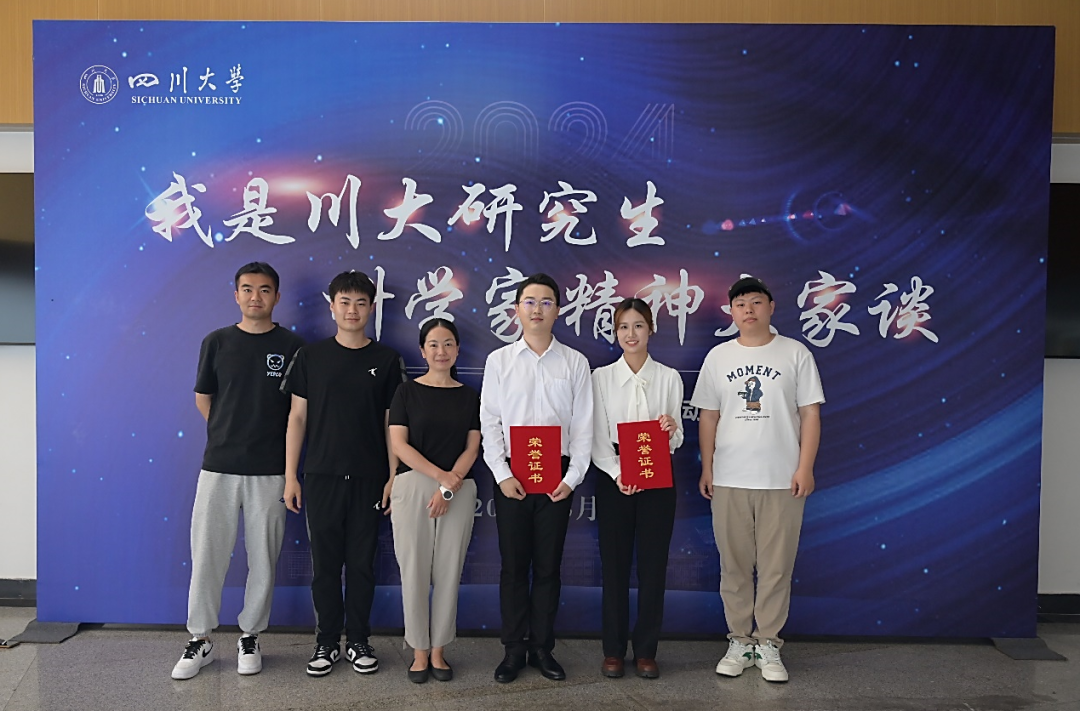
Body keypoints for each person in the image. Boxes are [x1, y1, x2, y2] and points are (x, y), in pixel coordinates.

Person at [172, 262, 304, 681]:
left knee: (263, 558)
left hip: (271, 471)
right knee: (207, 554)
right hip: (219, 467)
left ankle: (250, 635)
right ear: (236, 295)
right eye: (247, 289)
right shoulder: (217, 342)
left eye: (264, 290)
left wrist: (287, 471)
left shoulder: (293, 346)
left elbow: (297, 414)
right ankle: (200, 638)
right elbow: (204, 398)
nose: (255, 297)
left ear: (276, 297)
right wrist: (228, 434)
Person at [690, 276, 824, 683]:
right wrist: (708, 467)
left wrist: (805, 467)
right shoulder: (719, 357)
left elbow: (810, 414)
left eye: (756, 302)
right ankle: (739, 640)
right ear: (731, 312)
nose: (748, 309)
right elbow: (708, 417)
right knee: (733, 566)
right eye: (740, 304)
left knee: (776, 567)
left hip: (782, 480)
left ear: (771, 307)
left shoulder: (795, 353)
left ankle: (768, 643)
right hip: (730, 478)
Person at [281, 271, 405, 677]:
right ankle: (327, 642)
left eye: (361, 303)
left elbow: (391, 424)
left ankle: (359, 640)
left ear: (372, 308)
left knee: (363, 565)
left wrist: (393, 476)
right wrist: (291, 476)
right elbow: (297, 418)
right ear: (331, 305)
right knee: (326, 566)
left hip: (369, 477)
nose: (353, 310)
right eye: (345, 302)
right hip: (321, 475)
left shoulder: (385, 360)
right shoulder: (311, 357)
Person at [480, 273, 593, 683]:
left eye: (546, 302)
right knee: (513, 567)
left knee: (548, 567)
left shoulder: (575, 362)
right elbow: (490, 422)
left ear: (558, 310)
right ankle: (513, 650)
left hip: (557, 478)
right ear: (516, 309)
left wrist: (572, 476)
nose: (537, 309)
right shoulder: (499, 361)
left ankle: (542, 648)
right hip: (512, 476)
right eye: (529, 301)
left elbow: (583, 426)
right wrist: (502, 473)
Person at [590, 298, 684, 680]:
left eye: (639, 326)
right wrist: (617, 473)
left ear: (651, 330)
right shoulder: (600, 378)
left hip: (657, 478)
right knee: (614, 568)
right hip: (614, 477)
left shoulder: (669, 377)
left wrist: (671, 429)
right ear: (616, 332)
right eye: (624, 327)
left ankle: (646, 650)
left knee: (653, 567)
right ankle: (613, 651)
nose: (631, 334)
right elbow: (596, 436)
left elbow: (676, 438)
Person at [388, 318, 481, 684]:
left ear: (457, 350)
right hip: (414, 486)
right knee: (412, 571)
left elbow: (472, 447)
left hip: (458, 489)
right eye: (433, 344)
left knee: (448, 572)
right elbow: (399, 445)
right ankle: (418, 651)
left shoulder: (470, 395)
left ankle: (439, 649)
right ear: (422, 350)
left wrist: (447, 487)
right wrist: (440, 478)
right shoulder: (406, 392)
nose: (441, 351)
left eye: (448, 344)